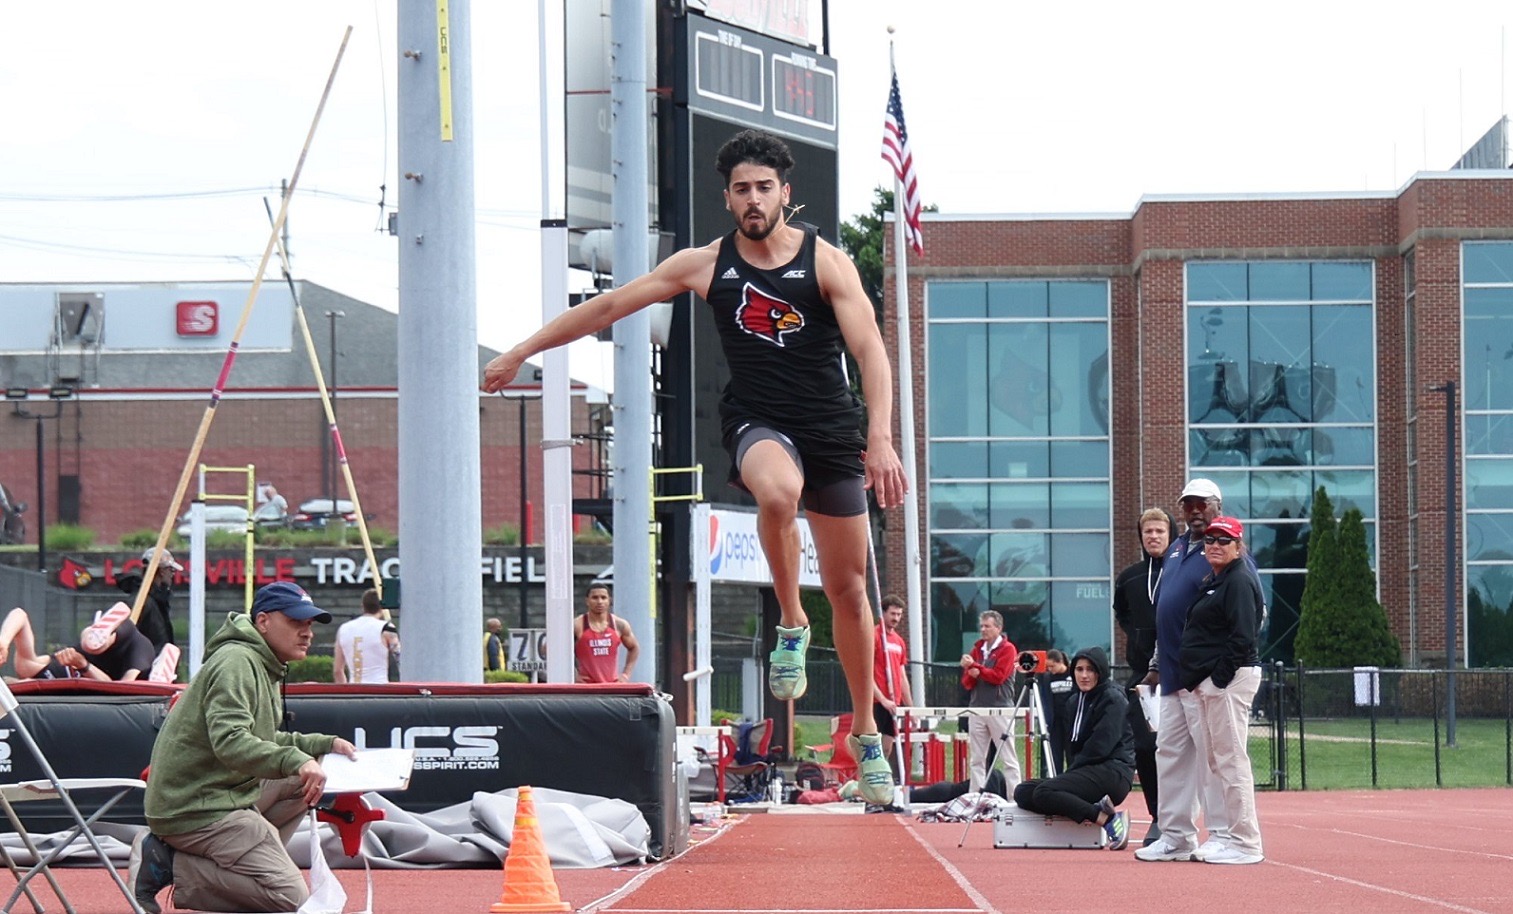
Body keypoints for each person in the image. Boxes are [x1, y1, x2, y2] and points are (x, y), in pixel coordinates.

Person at [482, 128, 907, 804]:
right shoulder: (705, 265)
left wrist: (879, 438)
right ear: (728, 198)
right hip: (758, 420)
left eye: (763, 187)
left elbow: (870, 352)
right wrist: (521, 350)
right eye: (741, 189)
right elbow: (608, 305)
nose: (753, 199)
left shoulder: (825, 263)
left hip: (830, 427)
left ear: (784, 193)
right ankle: (791, 623)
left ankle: (864, 733)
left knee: (850, 590)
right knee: (777, 495)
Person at [131, 582, 358, 914]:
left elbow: (263, 739)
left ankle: (251, 864)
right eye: (296, 621)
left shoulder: (262, 662)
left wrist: (322, 745)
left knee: (307, 777)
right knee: (293, 902)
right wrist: (296, 759)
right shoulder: (237, 661)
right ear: (263, 621)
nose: (307, 632)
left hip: (216, 793)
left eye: (309, 623)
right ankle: (168, 864)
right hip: (192, 807)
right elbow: (231, 742)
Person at [1136, 479, 1256, 863]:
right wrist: (1156, 665)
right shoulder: (1177, 549)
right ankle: (1175, 835)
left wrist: (1219, 672)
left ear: (1217, 506)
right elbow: (1168, 613)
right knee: (1169, 754)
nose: (1195, 511)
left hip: (1203, 676)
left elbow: (1251, 616)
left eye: (1202, 504)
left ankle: (1222, 834)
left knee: (1212, 758)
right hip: (1173, 674)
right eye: (1188, 505)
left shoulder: (1228, 554)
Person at [1175, 516, 1264, 864]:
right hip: (1213, 682)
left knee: (1232, 760)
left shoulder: (1239, 580)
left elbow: (1244, 637)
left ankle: (1246, 843)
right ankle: (1230, 837)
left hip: (1230, 681)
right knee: (1218, 761)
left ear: (1238, 547)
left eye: (1224, 540)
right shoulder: (1217, 579)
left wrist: (1218, 680)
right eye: (1210, 539)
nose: (1215, 545)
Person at [1012, 647, 1135, 851]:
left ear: (1101, 671)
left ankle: (1109, 820)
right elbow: (1073, 747)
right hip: (1087, 770)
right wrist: (1070, 777)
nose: (1084, 675)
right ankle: (1089, 809)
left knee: (1044, 792)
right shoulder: (1074, 701)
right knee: (1023, 792)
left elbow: (1100, 747)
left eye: (1090, 670)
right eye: (1079, 669)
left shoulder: (1113, 698)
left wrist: (1070, 774)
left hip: (1113, 772)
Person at [1112, 506, 1175, 845]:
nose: (1153, 536)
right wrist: (1139, 637)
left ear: (1170, 534)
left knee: (1181, 749)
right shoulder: (1130, 577)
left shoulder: (1181, 571)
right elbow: (1121, 611)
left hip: (1180, 672)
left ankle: (1185, 816)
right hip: (1143, 676)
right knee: (1146, 746)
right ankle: (1158, 817)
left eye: (1159, 531)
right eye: (1148, 531)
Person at [0, 606, 156, 681]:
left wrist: (4, 642)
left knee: (92, 644)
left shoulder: (28, 666)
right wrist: (83, 665)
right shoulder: (35, 676)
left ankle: (96, 633)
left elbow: (19, 614)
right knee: (127, 683)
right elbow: (116, 689)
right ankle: (98, 634)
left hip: (110, 643)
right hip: (115, 666)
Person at [959, 610, 1021, 796]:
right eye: (982, 626)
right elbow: (967, 683)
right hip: (977, 708)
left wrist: (976, 668)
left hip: (1000, 708)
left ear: (998, 628)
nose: (983, 630)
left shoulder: (1008, 649)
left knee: (1008, 756)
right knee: (977, 758)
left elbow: (999, 676)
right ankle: (974, 797)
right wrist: (972, 672)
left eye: (987, 626)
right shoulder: (977, 649)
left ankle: (1014, 798)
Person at [872, 594, 914, 769]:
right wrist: (882, 699)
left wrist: (911, 708)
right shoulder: (874, 636)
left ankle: (882, 776)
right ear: (883, 613)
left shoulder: (899, 642)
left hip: (894, 702)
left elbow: (902, 676)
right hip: (876, 701)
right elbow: (865, 673)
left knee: (887, 746)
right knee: (872, 745)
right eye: (892, 614)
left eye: (899, 614)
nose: (896, 618)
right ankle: (869, 777)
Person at [116, 548, 181, 653]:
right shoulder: (142, 602)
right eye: (171, 570)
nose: (173, 574)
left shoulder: (157, 601)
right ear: (162, 571)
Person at [573, 582, 640, 683]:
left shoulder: (619, 624)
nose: (599, 602)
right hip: (585, 686)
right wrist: (574, 675)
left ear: (609, 601)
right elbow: (557, 650)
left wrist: (626, 675)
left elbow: (634, 648)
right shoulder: (577, 625)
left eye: (603, 598)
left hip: (611, 686)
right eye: (595, 598)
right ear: (587, 601)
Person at [333, 588, 401, 684]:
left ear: (363, 606)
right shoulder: (387, 628)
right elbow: (400, 659)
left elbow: (337, 670)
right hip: (379, 687)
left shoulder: (343, 629)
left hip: (354, 688)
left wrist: (344, 690)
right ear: (382, 608)